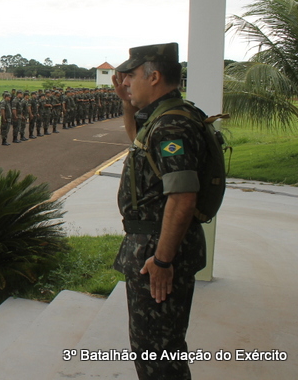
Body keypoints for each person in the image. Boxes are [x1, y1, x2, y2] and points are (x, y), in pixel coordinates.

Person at [112, 43, 207, 380]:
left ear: (153, 76)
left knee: (157, 351)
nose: (125, 82)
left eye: (132, 76)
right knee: (155, 346)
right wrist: (126, 101)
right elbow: (139, 140)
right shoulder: (164, 118)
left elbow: (183, 197)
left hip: (158, 251)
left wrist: (163, 261)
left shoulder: (171, 126)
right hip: (152, 243)